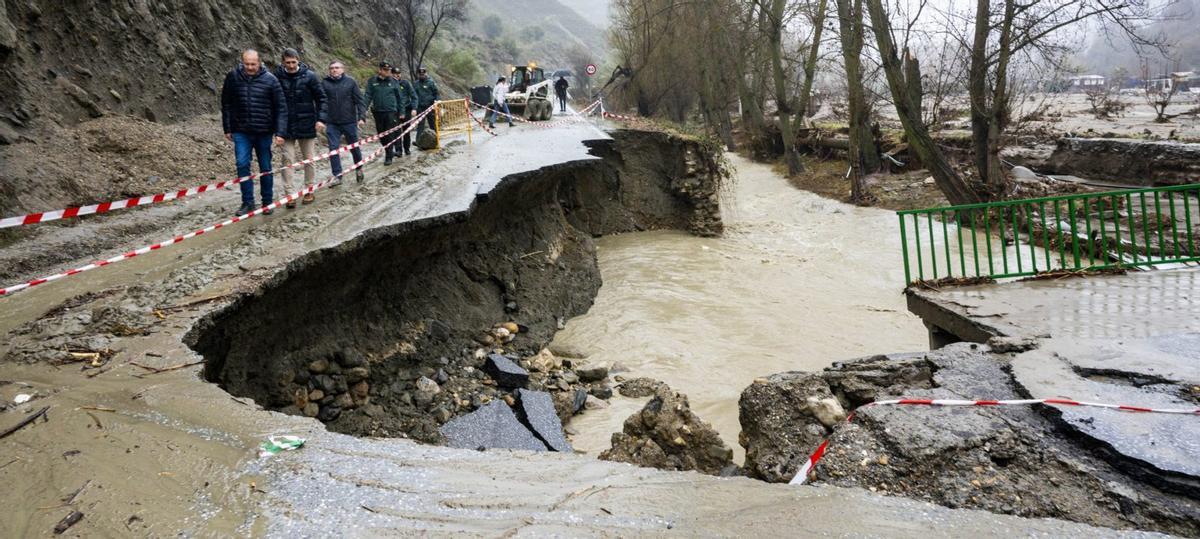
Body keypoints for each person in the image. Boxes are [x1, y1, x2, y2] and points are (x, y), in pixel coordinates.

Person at [220, 49, 286, 216]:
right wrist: (227, 128)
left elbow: (281, 108)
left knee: (265, 166)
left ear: (259, 62)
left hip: (264, 131)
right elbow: (226, 103)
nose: (249, 67)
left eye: (253, 64)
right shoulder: (233, 77)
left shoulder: (271, 80)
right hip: (241, 130)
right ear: (242, 62)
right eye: (246, 64)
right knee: (242, 164)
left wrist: (280, 132)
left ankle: (267, 201)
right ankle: (247, 202)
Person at [273, 48, 326, 208]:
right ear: (283, 62)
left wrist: (321, 119)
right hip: (285, 126)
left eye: (293, 62)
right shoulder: (277, 77)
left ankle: (309, 190)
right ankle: (289, 194)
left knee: (309, 159)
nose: (290, 65)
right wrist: (275, 127)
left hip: (307, 123)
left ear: (298, 60)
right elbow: (272, 102)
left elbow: (321, 98)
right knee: (287, 159)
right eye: (287, 62)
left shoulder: (310, 76)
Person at [320, 60, 367, 185]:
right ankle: (337, 176)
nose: (334, 70)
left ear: (343, 69)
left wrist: (362, 117)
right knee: (333, 149)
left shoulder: (351, 82)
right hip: (332, 122)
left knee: (354, 147)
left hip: (349, 121)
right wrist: (321, 119)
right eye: (331, 68)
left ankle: (359, 168)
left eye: (337, 67)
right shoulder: (325, 83)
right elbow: (322, 103)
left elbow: (360, 101)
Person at [365, 61, 409, 166]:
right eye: (385, 70)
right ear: (379, 70)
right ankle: (388, 150)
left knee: (389, 134)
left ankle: (388, 156)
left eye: (389, 70)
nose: (387, 72)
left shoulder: (394, 82)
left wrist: (402, 112)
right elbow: (367, 96)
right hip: (378, 112)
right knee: (381, 135)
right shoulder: (372, 81)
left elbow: (400, 98)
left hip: (391, 112)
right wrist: (363, 109)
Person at [391, 66, 418, 156]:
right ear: (392, 74)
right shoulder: (390, 84)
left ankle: (407, 149)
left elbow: (414, 96)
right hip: (395, 111)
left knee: (406, 131)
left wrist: (414, 108)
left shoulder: (405, 83)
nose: (397, 76)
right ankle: (398, 150)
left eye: (398, 74)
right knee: (396, 131)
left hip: (406, 110)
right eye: (395, 74)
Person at [413, 66, 440, 132]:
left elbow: (436, 93)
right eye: (420, 74)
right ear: (418, 74)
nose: (422, 75)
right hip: (420, 107)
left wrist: (436, 102)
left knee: (433, 124)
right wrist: (414, 107)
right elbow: (413, 95)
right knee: (420, 126)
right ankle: (418, 141)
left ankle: (436, 140)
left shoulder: (431, 82)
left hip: (430, 107)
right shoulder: (416, 84)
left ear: (426, 73)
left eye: (423, 74)